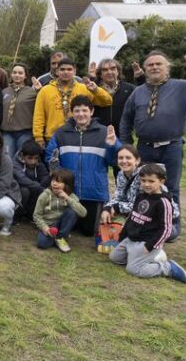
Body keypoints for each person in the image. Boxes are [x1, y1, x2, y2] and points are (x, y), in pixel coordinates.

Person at [119, 51, 186, 239]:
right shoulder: (138, 92)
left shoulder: (183, 87)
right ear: (145, 70)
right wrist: (127, 146)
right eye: (150, 65)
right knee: (144, 186)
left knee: (170, 187)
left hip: (171, 147)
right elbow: (126, 120)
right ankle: (145, 222)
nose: (155, 67)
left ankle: (171, 226)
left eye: (159, 64)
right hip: (145, 148)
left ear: (167, 68)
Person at [46, 95, 120, 236]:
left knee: (88, 232)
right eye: (77, 111)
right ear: (72, 113)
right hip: (68, 192)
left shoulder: (104, 132)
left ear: (91, 112)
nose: (81, 114)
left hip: (94, 192)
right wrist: (60, 178)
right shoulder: (61, 133)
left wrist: (112, 146)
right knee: (68, 227)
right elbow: (50, 157)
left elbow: (114, 160)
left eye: (84, 110)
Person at [109, 164, 186, 284]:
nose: (146, 184)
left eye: (151, 181)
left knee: (133, 270)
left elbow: (166, 229)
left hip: (146, 242)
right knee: (114, 258)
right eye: (143, 180)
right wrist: (123, 236)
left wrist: (151, 245)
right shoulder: (141, 196)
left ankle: (167, 267)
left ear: (161, 181)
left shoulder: (163, 202)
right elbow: (132, 218)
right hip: (132, 239)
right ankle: (149, 258)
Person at [100, 145, 180, 251]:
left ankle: (153, 249)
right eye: (121, 158)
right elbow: (119, 196)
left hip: (160, 221)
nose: (124, 161)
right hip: (140, 216)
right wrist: (108, 208)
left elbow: (138, 206)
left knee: (125, 226)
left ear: (137, 160)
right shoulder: (121, 174)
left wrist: (116, 207)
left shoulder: (144, 177)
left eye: (128, 158)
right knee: (107, 218)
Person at [33, 58, 112, 147]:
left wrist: (96, 90)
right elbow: (39, 115)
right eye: (62, 69)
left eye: (69, 69)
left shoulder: (84, 88)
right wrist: (38, 137)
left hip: (79, 136)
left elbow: (107, 102)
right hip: (53, 137)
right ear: (57, 72)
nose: (66, 72)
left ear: (74, 71)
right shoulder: (45, 90)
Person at [33, 169, 87, 253]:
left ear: (67, 185)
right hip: (49, 225)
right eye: (53, 180)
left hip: (62, 224)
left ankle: (60, 238)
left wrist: (67, 198)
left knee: (71, 212)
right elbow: (37, 215)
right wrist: (45, 228)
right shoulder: (45, 195)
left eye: (59, 182)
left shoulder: (71, 196)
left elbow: (83, 213)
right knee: (42, 244)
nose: (55, 183)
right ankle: (56, 238)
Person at [0, 62, 38, 158]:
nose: (17, 75)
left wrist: (39, 91)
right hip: (7, 132)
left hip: (24, 132)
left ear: (25, 76)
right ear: (11, 74)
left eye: (20, 73)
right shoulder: (4, 91)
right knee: (6, 158)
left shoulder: (32, 92)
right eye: (14, 72)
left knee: (21, 159)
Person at [12, 140, 50, 223]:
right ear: (22, 155)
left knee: (44, 186)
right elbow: (21, 179)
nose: (33, 161)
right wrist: (40, 187)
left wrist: (42, 187)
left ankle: (30, 214)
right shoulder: (15, 163)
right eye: (30, 158)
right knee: (25, 191)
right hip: (16, 191)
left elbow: (45, 176)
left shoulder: (39, 163)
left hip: (33, 188)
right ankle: (15, 216)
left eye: (36, 158)